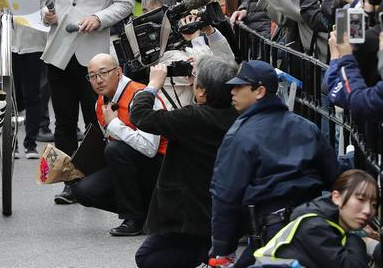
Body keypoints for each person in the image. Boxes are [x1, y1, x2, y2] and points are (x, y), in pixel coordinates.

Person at [209, 60, 340, 267]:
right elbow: (333, 176)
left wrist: (222, 247)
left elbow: (225, 195)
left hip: (272, 235)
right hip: (312, 230)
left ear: (259, 91)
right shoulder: (306, 126)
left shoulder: (241, 135)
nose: (232, 91)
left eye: (239, 86)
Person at [40, 0, 134, 159]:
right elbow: (44, 0)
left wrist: (99, 18)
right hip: (59, 50)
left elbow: (124, 4)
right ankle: (68, 179)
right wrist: (46, 15)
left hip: (94, 53)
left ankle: (92, 178)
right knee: (63, 121)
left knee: (94, 121)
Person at [130, 58, 240, 268]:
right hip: (219, 208)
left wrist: (153, 85)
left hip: (187, 212)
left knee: (147, 258)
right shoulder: (237, 116)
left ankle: (205, 261)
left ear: (202, 91)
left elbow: (140, 115)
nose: (191, 81)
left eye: (195, 79)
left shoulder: (193, 118)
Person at [63, 53, 166, 237]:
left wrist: (114, 125)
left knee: (116, 150)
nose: (98, 80)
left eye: (103, 73)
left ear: (118, 72)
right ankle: (147, 212)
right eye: (92, 76)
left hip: (161, 168)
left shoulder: (141, 96)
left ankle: (134, 219)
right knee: (81, 190)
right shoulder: (100, 103)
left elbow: (150, 149)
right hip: (130, 164)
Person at [252, 169, 375, 267]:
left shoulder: (326, 224)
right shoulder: (314, 226)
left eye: (373, 204)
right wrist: (359, 239)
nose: (368, 210)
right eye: (360, 199)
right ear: (336, 197)